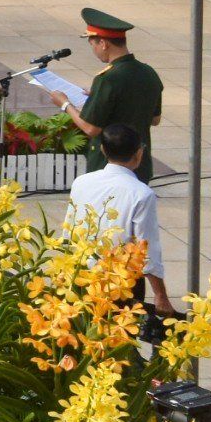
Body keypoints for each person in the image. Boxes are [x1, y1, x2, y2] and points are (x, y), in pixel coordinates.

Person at [67, 123, 175, 316]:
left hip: (83, 275)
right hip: (122, 283)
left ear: (102, 150)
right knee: (120, 340)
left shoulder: (81, 183)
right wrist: (160, 295)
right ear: (139, 153)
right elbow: (147, 250)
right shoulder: (142, 194)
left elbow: (69, 231)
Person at [58, 7, 163, 177]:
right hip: (140, 164)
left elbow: (91, 128)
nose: (94, 51)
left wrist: (64, 103)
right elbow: (155, 119)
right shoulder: (148, 72)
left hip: (109, 166)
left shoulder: (107, 79)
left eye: (93, 44)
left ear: (103, 43)